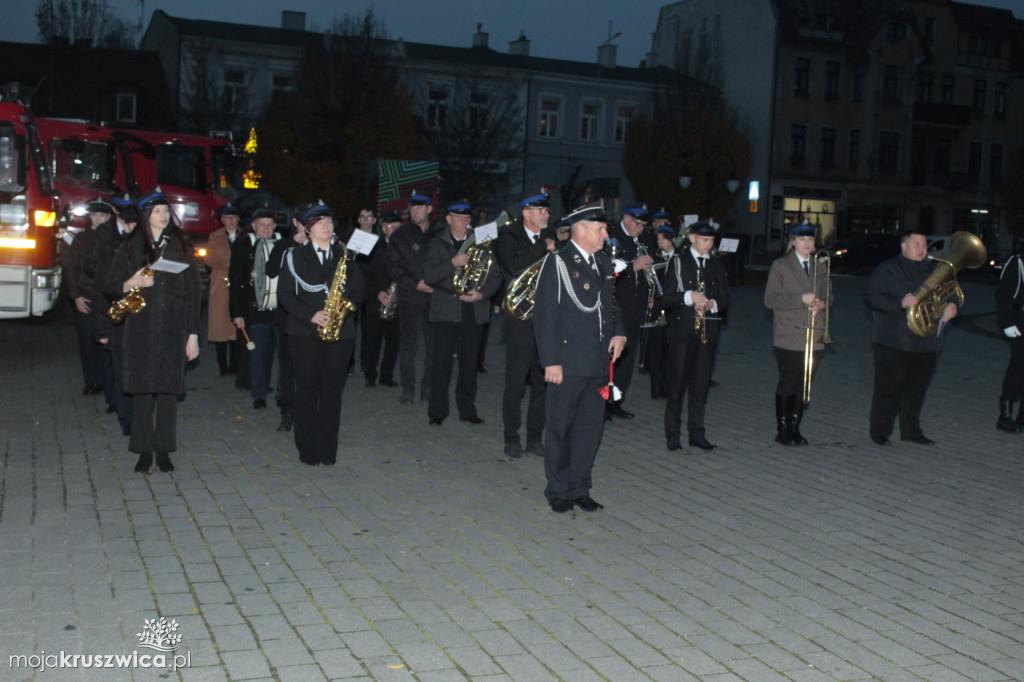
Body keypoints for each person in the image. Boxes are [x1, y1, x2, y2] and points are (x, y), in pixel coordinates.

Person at [534, 200, 626, 513]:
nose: (605, 235)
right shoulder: (557, 261)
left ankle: (579, 487)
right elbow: (545, 315)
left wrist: (620, 332)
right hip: (567, 362)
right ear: (581, 229)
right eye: (600, 229)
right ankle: (558, 489)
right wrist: (551, 361)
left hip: (598, 362)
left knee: (589, 428)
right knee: (561, 427)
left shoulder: (602, 261)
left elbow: (612, 303)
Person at [104, 188, 201, 474]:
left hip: (173, 326)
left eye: (166, 211)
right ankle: (144, 450)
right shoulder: (131, 245)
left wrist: (192, 333)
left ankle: (164, 450)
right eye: (157, 211)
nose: (163, 215)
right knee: (143, 390)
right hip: (140, 328)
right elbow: (109, 287)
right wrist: (131, 282)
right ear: (146, 216)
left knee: (169, 391)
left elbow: (194, 292)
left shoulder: (181, 244)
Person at [277, 201, 366, 466]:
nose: (327, 226)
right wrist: (311, 315)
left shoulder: (345, 255)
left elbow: (360, 290)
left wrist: (344, 311)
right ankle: (308, 451)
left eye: (329, 222)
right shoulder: (294, 256)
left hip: (341, 333)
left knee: (331, 393)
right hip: (304, 333)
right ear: (308, 228)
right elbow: (285, 295)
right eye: (320, 223)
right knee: (306, 391)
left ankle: (328, 452)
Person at [865, 227, 957, 445]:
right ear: (903, 246)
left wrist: (953, 303)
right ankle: (880, 431)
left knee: (917, 391)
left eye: (924, 245)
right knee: (888, 390)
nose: (922, 249)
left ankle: (911, 431)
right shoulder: (887, 269)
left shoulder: (934, 270)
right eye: (916, 245)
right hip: (893, 341)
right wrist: (900, 303)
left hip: (927, 343)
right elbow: (872, 299)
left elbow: (952, 290)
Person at [422, 200, 502, 425]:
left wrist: (482, 294)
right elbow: (429, 276)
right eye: (459, 218)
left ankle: (467, 410)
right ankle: (437, 413)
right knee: (441, 365)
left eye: (467, 219)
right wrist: (452, 263)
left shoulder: (481, 243)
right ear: (448, 220)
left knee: (469, 366)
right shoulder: (437, 244)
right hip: (446, 311)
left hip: (473, 311)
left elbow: (495, 276)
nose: (464, 222)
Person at [492, 191, 556, 457]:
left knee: (541, 385)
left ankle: (534, 438)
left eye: (547, 211)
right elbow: (515, 265)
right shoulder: (507, 236)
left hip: (545, 321)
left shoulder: (549, 237)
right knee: (516, 384)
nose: (547, 215)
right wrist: (544, 248)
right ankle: (511, 438)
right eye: (541, 211)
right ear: (527, 212)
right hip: (519, 322)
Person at [660, 218, 731, 451]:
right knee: (676, 385)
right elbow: (666, 298)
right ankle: (672, 433)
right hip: (682, 333)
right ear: (691, 238)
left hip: (707, 333)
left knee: (700, 387)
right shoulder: (678, 262)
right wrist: (689, 296)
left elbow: (725, 298)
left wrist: (712, 304)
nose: (709, 244)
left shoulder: (716, 266)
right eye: (704, 239)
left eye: (712, 240)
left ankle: (697, 433)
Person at [764, 223, 831, 445]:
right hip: (790, 332)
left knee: (805, 383)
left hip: (813, 331)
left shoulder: (820, 265)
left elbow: (829, 295)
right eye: (802, 239)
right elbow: (770, 299)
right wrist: (800, 299)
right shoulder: (781, 265)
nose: (807, 244)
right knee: (789, 380)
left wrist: (822, 304)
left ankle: (795, 427)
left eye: (811, 240)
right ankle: (782, 429)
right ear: (793, 242)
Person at [386, 190, 439, 405]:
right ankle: (408, 388)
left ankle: (428, 387)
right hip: (410, 298)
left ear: (429, 209)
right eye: (412, 208)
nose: (415, 211)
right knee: (408, 347)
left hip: (435, 299)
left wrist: (438, 286)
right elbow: (392, 266)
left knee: (434, 348)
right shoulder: (401, 234)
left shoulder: (440, 232)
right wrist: (415, 284)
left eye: (420, 207)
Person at [605, 204, 657, 420]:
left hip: (636, 308)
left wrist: (653, 290)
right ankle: (602, 402)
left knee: (627, 360)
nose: (640, 228)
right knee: (610, 359)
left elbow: (653, 269)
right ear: (626, 218)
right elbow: (607, 268)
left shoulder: (647, 239)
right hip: (616, 306)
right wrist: (632, 265)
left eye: (644, 225)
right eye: (637, 223)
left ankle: (617, 402)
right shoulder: (611, 236)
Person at [92, 198, 138, 436]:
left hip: (140, 322)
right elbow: (101, 290)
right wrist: (101, 329)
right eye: (128, 225)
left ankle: (137, 416)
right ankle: (126, 419)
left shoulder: (144, 249)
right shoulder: (110, 248)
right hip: (118, 321)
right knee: (121, 374)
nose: (131, 230)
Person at [264, 204, 311, 432]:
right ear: (295, 223)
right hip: (287, 316)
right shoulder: (284, 244)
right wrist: (294, 245)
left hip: (312, 315)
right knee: (287, 366)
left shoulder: (318, 245)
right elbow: (270, 271)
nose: (306, 228)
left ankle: (308, 411)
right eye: (303, 223)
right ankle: (287, 412)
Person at [229, 206, 281, 410]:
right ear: (253, 226)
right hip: (255, 309)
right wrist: (236, 313)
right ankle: (259, 393)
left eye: (270, 225)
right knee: (257, 354)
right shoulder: (243, 246)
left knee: (283, 356)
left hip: (279, 310)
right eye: (262, 225)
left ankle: (282, 394)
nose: (266, 229)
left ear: (275, 226)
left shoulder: (283, 244)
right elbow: (234, 282)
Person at [67, 197, 113, 396]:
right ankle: (90, 380)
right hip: (86, 296)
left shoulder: (113, 239)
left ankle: (104, 381)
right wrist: (75, 296)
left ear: (108, 217)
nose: (97, 220)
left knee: (105, 341)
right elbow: (71, 269)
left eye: (101, 215)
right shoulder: (81, 239)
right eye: (94, 215)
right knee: (87, 341)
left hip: (106, 297)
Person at [361, 210, 402, 388]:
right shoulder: (373, 247)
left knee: (394, 343)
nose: (393, 230)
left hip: (398, 302)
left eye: (397, 228)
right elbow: (363, 274)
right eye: (390, 227)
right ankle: (370, 376)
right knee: (373, 342)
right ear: (383, 228)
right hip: (375, 301)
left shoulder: (405, 249)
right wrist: (377, 292)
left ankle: (387, 376)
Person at [207, 205, 243, 376]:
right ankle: (223, 366)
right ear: (222, 220)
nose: (231, 221)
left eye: (234, 217)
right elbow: (209, 258)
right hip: (220, 284)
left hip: (240, 284)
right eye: (227, 218)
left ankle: (235, 364)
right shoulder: (215, 236)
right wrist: (227, 264)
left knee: (236, 326)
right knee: (219, 325)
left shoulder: (245, 235)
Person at [644, 224, 677, 400]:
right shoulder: (654, 259)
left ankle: (668, 384)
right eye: (658, 240)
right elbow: (649, 282)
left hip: (674, 308)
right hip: (657, 308)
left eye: (663, 239)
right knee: (656, 348)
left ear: (672, 240)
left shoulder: (680, 259)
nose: (660, 243)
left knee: (670, 350)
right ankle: (655, 386)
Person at [996, 246, 1024, 432]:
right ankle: (1005, 417)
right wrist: (1006, 322)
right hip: (1019, 321)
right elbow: (1002, 294)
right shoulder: (1018, 262)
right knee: (1019, 367)